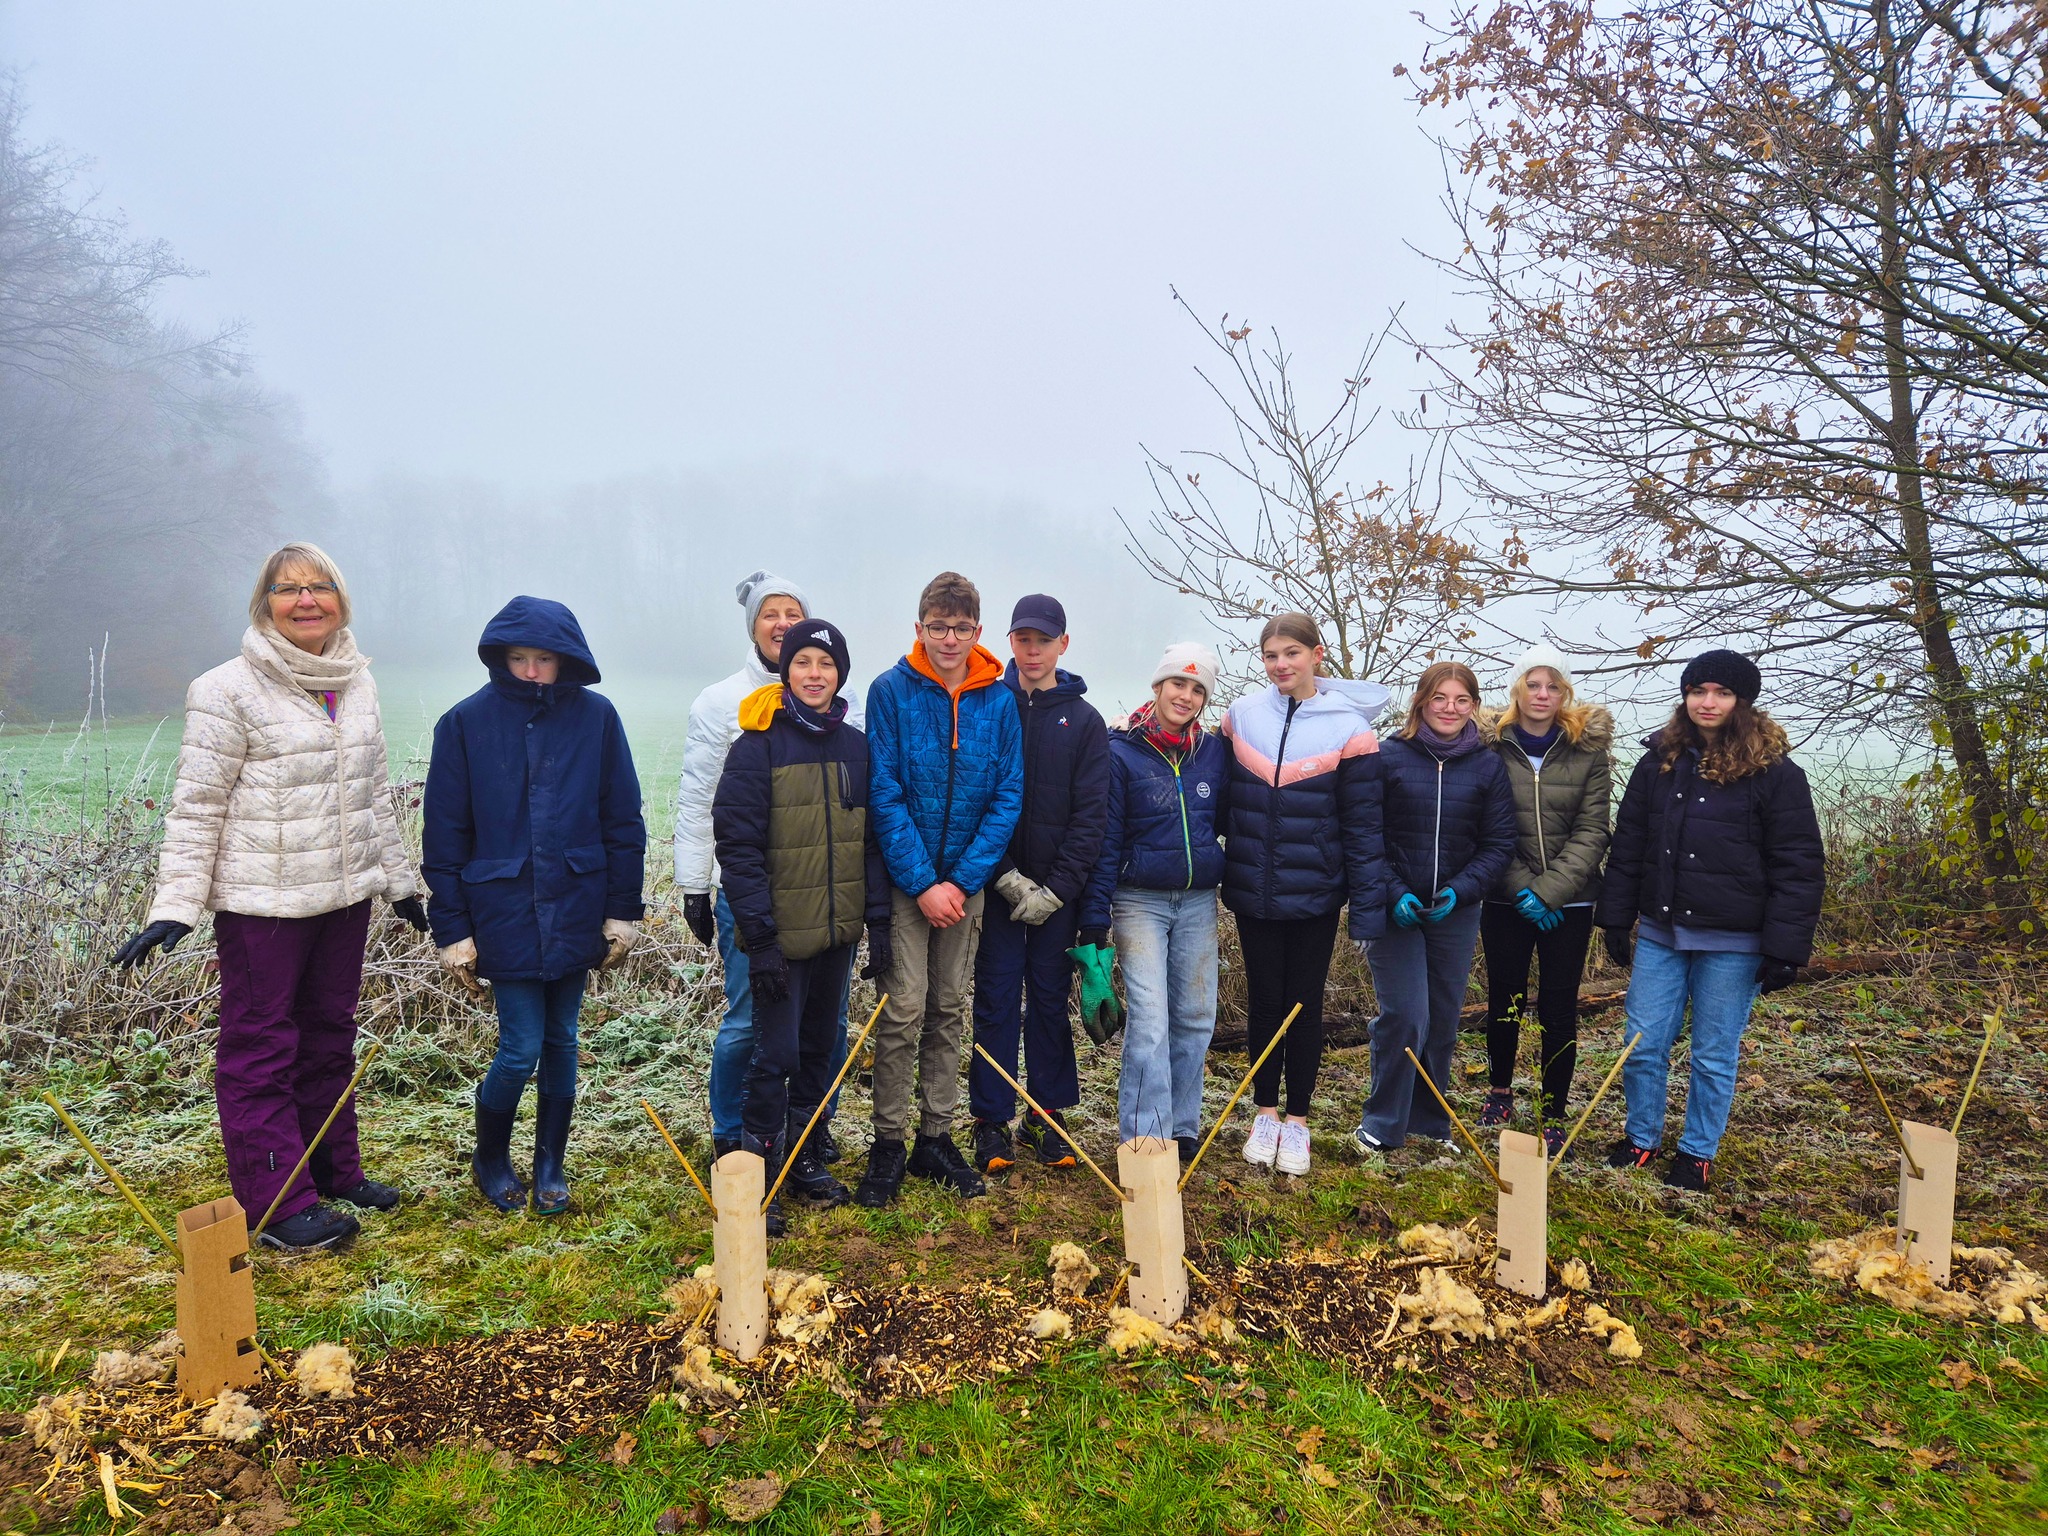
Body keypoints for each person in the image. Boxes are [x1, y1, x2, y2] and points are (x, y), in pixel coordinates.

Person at [113, 543, 425, 1252]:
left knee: (329, 1038)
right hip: (264, 909)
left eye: (321, 588)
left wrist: (400, 884)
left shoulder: (355, 682)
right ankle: (279, 1203)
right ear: (264, 604)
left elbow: (373, 796)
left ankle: (334, 1171)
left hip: (344, 899)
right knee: (260, 1051)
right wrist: (175, 905)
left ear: (342, 601)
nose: (306, 600)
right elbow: (197, 807)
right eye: (289, 589)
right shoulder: (225, 689)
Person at [422, 597, 647, 1216]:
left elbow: (622, 821)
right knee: (521, 1046)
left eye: (543, 659)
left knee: (564, 1039)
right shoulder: (463, 724)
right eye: (518, 658)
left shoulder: (597, 719)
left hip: (577, 904)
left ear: (565, 659)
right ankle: (490, 1159)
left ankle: (551, 1163)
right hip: (503, 912)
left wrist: (622, 910)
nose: (529, 670)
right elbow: (444, 838)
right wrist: (453, 930)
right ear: (500, 657)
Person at [1598, 649, 1823, 1193]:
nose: (1708, 702)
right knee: (1642, 1042)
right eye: (1699, 691)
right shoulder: (1659, 763)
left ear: (1742, 701)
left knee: (1713, 1052)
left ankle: (1697, 1153)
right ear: (1685, 697)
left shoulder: (1775, 774)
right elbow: (1630, 844)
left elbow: (1798, 863)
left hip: (1735, 941)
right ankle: (1641, 1139)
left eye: (1721, 692)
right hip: (1661, 932)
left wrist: (1786, 948)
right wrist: (1615, 917)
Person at [674, 572, 863, 1161]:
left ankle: (809, 1132)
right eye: (769, 614)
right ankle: (735, 1137)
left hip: (827, 905)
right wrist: (693, 883)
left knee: (822, 1028)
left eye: (792, 612)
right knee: (749, 1023)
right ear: (753, 627)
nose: (781, 623)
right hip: (758, 899)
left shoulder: (839, 719)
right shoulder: (724, 704)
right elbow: (703, 797)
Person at [712, 619, 887, 1233]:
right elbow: (737, 848)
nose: (815, 674)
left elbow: (870, 844)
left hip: (837, 936)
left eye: (827, 664)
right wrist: (758, 941)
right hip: (780, 939)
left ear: (841, 674)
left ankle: (806, 1158)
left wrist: (880, 928)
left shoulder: (856, 747)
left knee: (820, 1051)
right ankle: (762, 1173)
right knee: (775, 1054)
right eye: (803, 662)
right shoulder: (756, 746)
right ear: (785, 671)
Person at [855, 571, 1024, 1207]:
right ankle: (889, 1141)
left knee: (950, 1007)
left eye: (960, 628)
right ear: (919, 629)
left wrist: (963, 878)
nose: (948, 638)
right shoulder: (891, 692)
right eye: (937, 627)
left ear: (978, 633)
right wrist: (924, 882)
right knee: (903, 1010)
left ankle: (936, 1135)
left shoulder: (999, 700)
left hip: (967, 884)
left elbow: (1008, 795)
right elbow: (884, 791)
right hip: (909, 884)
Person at [1219, 614, 1391, 1177]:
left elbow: (1365, 825)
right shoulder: (1243, 715)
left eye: (1291, 653)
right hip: (1252, 888)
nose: (1280, 665)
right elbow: (1216, 794)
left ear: (1317, 655)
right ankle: (1263, 1111)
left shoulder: (1349, 728)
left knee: (1304, 1005)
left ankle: (1298, 1121)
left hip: (1317, 891)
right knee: (1265, 1002)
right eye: (1270, 656)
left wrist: (1367, 908)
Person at [968, 595, 1111, 1175]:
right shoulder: (987, 706)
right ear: (1010, 641)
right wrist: (1005, 880)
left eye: (1044, 640)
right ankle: (991, 1120)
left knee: (1049, 1005)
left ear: (1063, 645)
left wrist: (1055, 890)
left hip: (1058, 897)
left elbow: (1091, 819)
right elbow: (977, 799)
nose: (1033, 650)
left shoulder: (1084, 721)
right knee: (996, 1002)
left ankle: (1046, 1114)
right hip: (997, 889)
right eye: (1023, 639)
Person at [1351, 662, 1517, 1157]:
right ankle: (1381, 1122)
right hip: (1393, 908)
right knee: (1405, 1015)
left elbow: (1498, 842)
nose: (1450, 708)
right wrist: (1392, 890)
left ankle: (1430, 1123)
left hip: (1455, 911)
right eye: (1440, 698)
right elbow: (1365, 835)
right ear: (1421, 702)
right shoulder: (1388, 757)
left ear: (1474, 706)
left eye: (1462, 700)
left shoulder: (1487, 765)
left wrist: (1461, 891)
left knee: (1443, 1018)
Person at [1081, 641, 1231, 1163]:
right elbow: (1105, 840)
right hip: (1138, 899)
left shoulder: (1213, 751)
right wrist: (1094, 923)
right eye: (1177, 683)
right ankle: (1145, 1135)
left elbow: (1233, 820)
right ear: (1158, 686)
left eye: (1197, 689)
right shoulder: (1120, 748)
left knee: (1195, 1015)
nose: (1185, 696)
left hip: (1197, 901)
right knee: (1148, 1018)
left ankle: (1183, 1127)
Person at [1475, 644, 1613, 1155]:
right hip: (1505, 899)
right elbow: (1488, 828)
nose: (1543, 694)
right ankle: (1500, 1091)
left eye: (1553, 686)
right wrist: (1523, 890)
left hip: (1570, 904)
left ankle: (1554, 1111)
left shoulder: (1588, 751)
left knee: (1559, 1006)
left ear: (1565, 692)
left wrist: (1552, 891)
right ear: (1517, 689)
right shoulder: (1490, 748)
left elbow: (1593, 829)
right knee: (1505, 998)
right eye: (1533, 684)